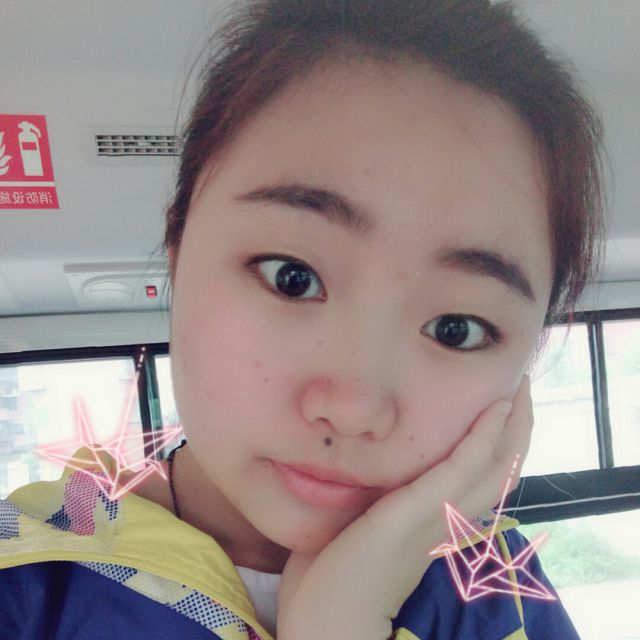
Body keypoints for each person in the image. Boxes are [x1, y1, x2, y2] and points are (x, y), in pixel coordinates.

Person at [0, 0, 605, 638]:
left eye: (457, 329)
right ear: (178, 250)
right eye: (292, 277)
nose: (353, 408)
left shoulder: (505, 600)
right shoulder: (26, 582)